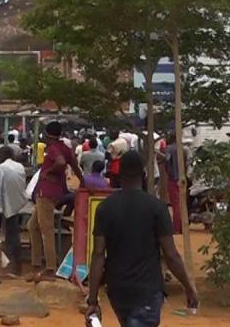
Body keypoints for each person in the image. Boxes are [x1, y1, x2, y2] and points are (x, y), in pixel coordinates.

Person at [86, 151, 198, 327]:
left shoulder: (105, 208)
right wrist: (189, 288)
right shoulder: (157, 208)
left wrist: (92, 300)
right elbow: (171, 255)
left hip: (117, 290)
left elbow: (98, 254)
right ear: (144, 174)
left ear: (118, 174)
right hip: (148, 291)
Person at [29, 121, 83, 282]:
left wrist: (48, 172)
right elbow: (75, 166)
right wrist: (83, 183)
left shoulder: (53, 149)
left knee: (46, 231)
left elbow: (60, 162)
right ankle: (37, 266)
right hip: (56, 192)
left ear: (46, 135)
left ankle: (50, 269)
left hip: (45, 192)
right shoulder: (65, 148)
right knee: (32, 226)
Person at [0, 146, 27, 275]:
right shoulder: (20, 167)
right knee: (12, 233)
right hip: (20, 203)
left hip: (3, 204)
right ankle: (13, 263)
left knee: (9, 235)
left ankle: (13, 265)